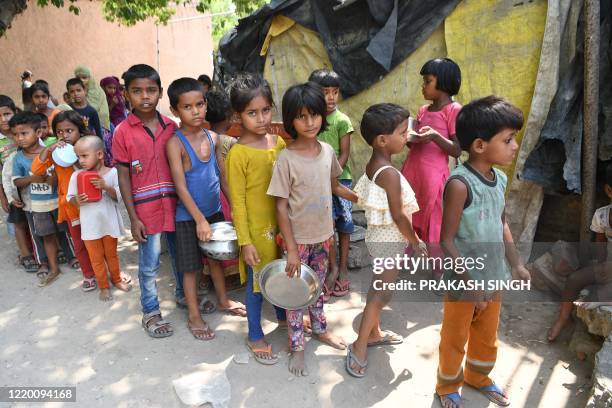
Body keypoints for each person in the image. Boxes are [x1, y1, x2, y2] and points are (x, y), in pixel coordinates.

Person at [435, 96, 530, 408]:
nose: (514, 146)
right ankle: (447, 386)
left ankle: (478, 376)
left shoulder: (499, 179)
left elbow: (502, 222)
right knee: (454, 338)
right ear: (478, 145)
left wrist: (515, 263)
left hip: (493, 277)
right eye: (508, 139)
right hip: (465, 282)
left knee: (487, 337)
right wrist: (471, 283)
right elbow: (446, 240)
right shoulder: (460, 185)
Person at [268, 82, 356, 376]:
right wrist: (291, 249)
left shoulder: (328, 150)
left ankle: (319, 328)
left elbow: (333, 185)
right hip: (298, 241)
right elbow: (280, 206)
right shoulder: (286, 159)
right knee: (296, 294)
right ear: (291, 120)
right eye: (302, 116)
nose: (310, 122)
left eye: (315, 115)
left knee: (317, 289)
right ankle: (297, 346)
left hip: (324, 235)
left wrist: (357, 196)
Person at [346, 103, 426, 378]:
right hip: (390, 241)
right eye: (403, 132)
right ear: (382, 140)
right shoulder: (389, 173)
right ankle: (359, 346)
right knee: (382, 294)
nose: (408, 136)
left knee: (376, 289)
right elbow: (399, 215)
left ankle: (374, 332)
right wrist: (415, 240)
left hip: (380, 238)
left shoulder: (376, 164)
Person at [166, 77, 246, 341]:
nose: (196, 111)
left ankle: (223, 300)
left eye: (199, 104)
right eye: (187, 107)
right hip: (188, 217)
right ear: (176, 111)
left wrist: (235, 206)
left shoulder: (212, 138)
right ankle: (193, 315)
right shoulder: (175, 144)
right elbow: (180, 187)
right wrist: (199, 220)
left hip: (213, 212)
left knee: (216, 260)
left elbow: (221, 177)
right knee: (191, 268)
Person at [112, 64, 182, 338]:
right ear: (126, 94)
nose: (145, 97)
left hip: (176, 206)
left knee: (181, 256)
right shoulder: (122, 132)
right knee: (149, 263)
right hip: (146, 210)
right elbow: (123, 176)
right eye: (137, 91)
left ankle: (183, 296)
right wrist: (133, 217)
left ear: (160, 93)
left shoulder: (172, 127)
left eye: (151, 90)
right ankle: (151, 311)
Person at [225, 73, 287, 364]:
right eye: (252, 113)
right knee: (256, 285)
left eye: (266, 110)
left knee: (282, 276)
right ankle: (254, 335)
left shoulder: (278, 143)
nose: (261, 118)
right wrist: (245, 242)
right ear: (239, 115)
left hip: (281, 227)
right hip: (256, 233)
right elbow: (237, 201)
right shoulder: (237, 154)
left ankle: (284, 318)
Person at [400, 58, 462, 268]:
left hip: (434, 177)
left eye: (428, 81)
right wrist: (409, 136)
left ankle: (438, 269)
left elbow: (456, 149)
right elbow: (412, 144)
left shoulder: (453, 110)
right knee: (409, 214)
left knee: (433, 222)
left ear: (443, 83)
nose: (423, 86)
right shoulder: (423, 111)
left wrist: (435, 136)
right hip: (413, 171)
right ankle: (404, 260)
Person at [32, 111, 97, 291]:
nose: (64, 135)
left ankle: (106, 270)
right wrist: (49, 149)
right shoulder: (57, 153)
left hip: (92, 204)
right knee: (80, 243)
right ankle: (88, 274)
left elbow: (96, 169)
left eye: (69, 130)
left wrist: (78, 156)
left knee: (98, 239)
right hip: (71, 207)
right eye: (59, 132)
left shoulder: (88, 148)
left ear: (80, 131)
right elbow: (37, 169)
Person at [547, 162, 612, 341]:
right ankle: (563, 319)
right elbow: (600, 245)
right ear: (609, 191)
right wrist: (598, 269)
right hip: (607, 267)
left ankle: (602, 297)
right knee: (574, 279)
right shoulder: (602, 216)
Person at [67, 136, 132, 301]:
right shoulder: (76, 176)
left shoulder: (113, 173)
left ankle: (116, 279)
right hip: (90, 225)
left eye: (84, 156)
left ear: (100, 154)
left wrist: (106, 186)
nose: (81, 160)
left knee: (111, 254)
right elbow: (70, 197)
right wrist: (77, 201)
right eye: (78, 156)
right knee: (96, 258)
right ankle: (103, 286)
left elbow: (119, 196)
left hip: (108, 223)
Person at [308, 69, 354, 298]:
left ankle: (343, 269)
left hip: (340, 179)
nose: (331, 97)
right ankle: (331, 269)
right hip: (318, 183)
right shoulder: (313, 120)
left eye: (335, 92)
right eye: (325, 92)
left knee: (344, 226)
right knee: (328, 227)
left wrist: (331, 175)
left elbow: (344, 154)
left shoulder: (342, 120)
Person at [10, 112, 63, 286]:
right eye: (16, 134)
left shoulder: (50, 152)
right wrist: (32, 179)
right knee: (44, 235)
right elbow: (16, 180)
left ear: (38, 133)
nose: (19, 138)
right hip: (36, 205)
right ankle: (51, 266)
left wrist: (52, 178)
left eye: (24, 133)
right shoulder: (18, 158)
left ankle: (70, 257)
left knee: (64, 232)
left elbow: (60, 175)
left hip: (57, 201)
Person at [0, 95, 38, 272]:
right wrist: (4, 197)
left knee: (38, 218)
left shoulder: (25, 128)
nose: (3, 119)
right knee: (18, 222)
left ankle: (42, 251)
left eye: (6, 114)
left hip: (33, 185)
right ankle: (25, 254)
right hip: (13, 189)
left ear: (14, 112)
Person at [74, 65, 111, 130]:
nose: (81, 80)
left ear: (90, 78)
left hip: (100, 125)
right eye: (78, 78)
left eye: (84, 77)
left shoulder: (95, 90)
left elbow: (92, 109)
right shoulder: (76, 90)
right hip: (85, 124)